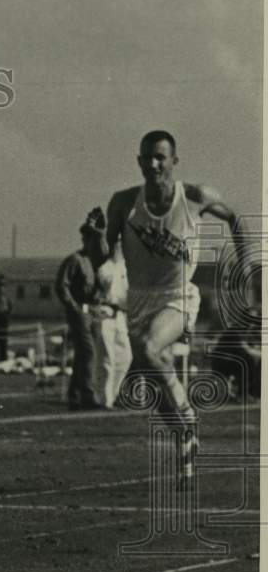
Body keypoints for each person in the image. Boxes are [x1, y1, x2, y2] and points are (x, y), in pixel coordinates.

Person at [104, 130, 250, 480]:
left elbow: (236, 219)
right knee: (152, 381)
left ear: (173, 161)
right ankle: (185, 438)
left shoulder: (195, 197)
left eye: (160, 157)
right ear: (139, 161)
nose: (153, 164)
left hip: (177, 297)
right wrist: (100, 246)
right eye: (146, 158)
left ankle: (187, 422)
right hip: (138, 300)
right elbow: (107, 253)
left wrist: (243, 269)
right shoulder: (124, 202)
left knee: (150, 349)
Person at [56, 221, 100, 409]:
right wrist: (72, 306)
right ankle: (87, 395)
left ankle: (74, 395)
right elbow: (61, 285)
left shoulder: (95, 261)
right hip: (79, 310)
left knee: (84, 354)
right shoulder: (75, 260)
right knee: (88, 351)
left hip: (93, 311)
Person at [91, 253, 131, 409]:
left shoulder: (127, 267)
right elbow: (100, 290)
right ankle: (104, 399)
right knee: (106, 358)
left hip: (121, 315)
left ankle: (111, 395)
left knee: (125, 357)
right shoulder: (104, 268)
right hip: (106, 313)